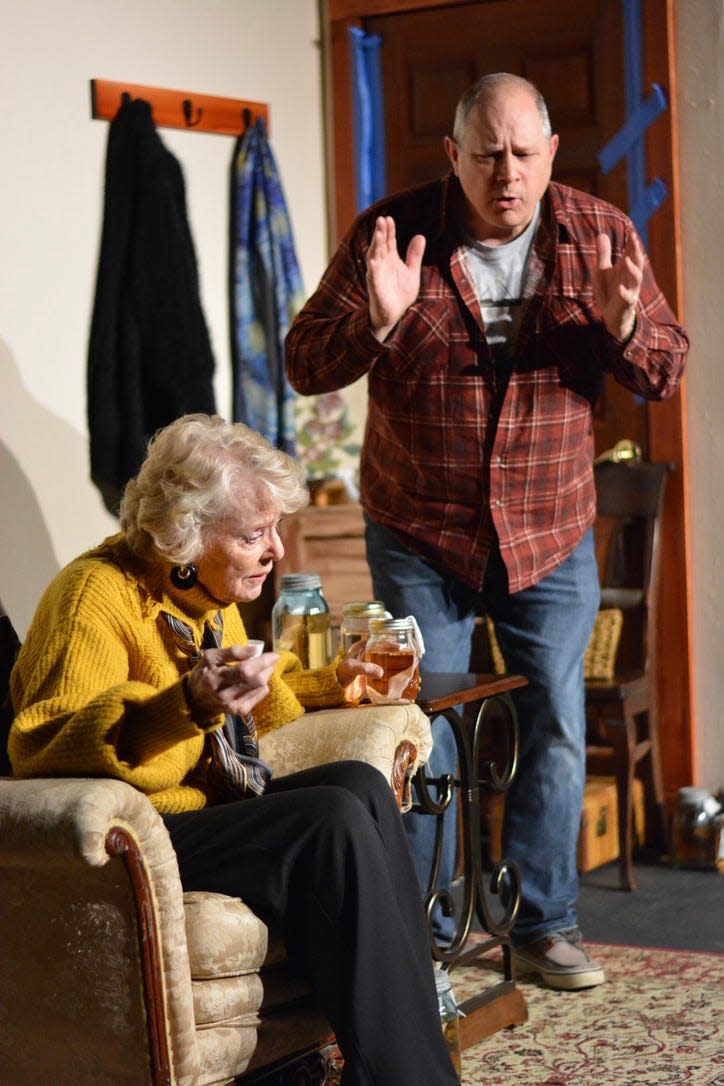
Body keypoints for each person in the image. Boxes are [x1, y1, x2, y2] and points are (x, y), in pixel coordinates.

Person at [285, 72, 689, 990]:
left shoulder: (602, 233)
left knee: (551, 718)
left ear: (549, 155)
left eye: (522, 153)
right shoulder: (394, 233)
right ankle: (419, 935)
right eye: (486, 153)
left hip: (550, 533)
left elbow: (667, 367)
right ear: (453, 156)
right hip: (420, 527)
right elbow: (303, 362)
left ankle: (544, 926)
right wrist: (374, 326)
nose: (505, 172)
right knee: (423, 728)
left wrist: (626, 331)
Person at [8, 413, 459, 1086]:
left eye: (273, 528)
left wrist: (331, 682)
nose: (277, 549)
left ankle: (410, 1031)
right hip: (139, 834)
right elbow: (41, 746)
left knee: (360, 787)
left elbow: (257, 704)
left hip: (209, 807)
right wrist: (184, 706)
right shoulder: (93, 600)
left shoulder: (203, 594)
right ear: (183, 536)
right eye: (254, 535)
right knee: (328, 821)